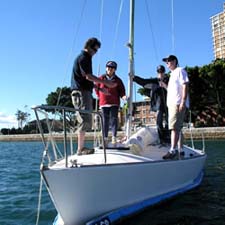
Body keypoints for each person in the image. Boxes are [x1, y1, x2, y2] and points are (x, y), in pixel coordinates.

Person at [71, 37, 116, 155]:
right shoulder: (84, 58)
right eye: (94, 50)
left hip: (84, 91)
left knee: (86, 119)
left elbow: (87, 80)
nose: (95, 53)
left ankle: (81, 148)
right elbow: (88, 77)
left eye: (96, 51)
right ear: (88, 47)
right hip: (81, 92)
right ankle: (80, 149)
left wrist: (100, 89)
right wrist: (106, 83)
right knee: (84, 119)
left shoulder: (86, 58)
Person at [133, 65, 170, 144]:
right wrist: (134, 78)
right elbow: (143, 81)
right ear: (157, 73)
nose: (160, 73)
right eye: (159, 72)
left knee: (168, 122)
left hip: (168, 104)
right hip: (158, 105)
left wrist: (164, 85)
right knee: (159, 122)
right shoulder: (155, 81)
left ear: (164, 72)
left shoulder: (169, 80)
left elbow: (174, 89)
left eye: (162, 71)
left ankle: (168, 138)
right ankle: (161, 139)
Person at [162, 55, 189, 160]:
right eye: (166, 62)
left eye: (168, 61)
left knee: (174, 127)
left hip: (177, 103)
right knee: (178, 128)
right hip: (173, 103)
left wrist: (183, 101)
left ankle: (173, 150)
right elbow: (172, 89)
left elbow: (185, 85)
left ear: (174, 61)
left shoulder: (180, 70)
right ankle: (181, 149)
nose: (167, 63)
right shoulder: (172, 74)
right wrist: (164, 85)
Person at [95, 61, 127, 145]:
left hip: (114, 103)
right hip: (104, 103)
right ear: (106, 68)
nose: (110, 69)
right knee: (105, 120)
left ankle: (114, 137)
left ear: (115, 70)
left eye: (112, 68)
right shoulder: (101, 78)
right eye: (108, 67)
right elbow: (96, 88)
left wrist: (124, 97)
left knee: (114, 120)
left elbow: (122, 91)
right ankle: (105, 138)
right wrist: (100, 96)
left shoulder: (118, 80)